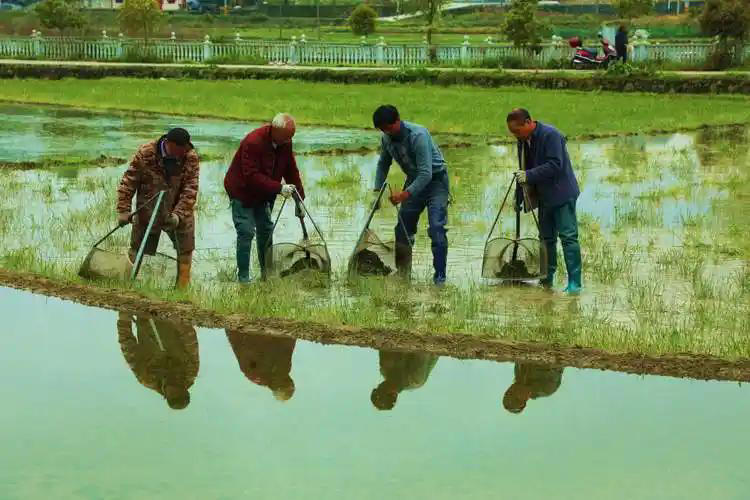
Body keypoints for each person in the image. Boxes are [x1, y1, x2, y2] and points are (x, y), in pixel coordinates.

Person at [372, 105, 450, 286]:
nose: (387, 133)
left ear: (398, 120)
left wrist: (405, 194)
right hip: (414, 180)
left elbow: (426, 173)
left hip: (436, 181)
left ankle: (440, 278)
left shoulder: (418, 136)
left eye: (389, 128)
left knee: (437, 228)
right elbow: (383, 164)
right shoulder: (386, 139)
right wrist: (376, 192)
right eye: (383, 130)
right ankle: (403, 275)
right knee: (403, 230)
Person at [506, 108, 582, 293]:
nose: (515, 135)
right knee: (546, 239)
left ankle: (574, 283)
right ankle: (546, 279)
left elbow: (555, 165)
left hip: (562, 193)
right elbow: (522, 169)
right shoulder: (522, 141)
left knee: (568, 237)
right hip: (544, 196)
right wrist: (519, 196)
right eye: (512, 132)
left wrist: (529, 175)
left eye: (517, 131)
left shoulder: (551, 135)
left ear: (528, 122)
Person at [224, 113, 305, 283]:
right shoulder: (253, 142)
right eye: (286, 137)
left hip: (265, 193)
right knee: (246, 232)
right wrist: (279, 188)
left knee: (266, 230)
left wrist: (300, 199)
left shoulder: (285, 143)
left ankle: (266, 275)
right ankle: (244, 278)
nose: (288, 140)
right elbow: (251, 176)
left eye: (291, 137)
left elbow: (290, 169)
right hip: (242, 191)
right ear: (274, 130)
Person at [117, 127, 199, 288]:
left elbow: (191, 189)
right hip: (149, 207)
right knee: (137, 248)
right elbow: (129, 181)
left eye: (184, 150)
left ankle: (181, 290)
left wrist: (178, 215)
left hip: (178, 209)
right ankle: (126, 286)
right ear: (168, 143)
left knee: (186, 249)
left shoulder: (190, 156)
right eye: (178, 150)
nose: (181, 154)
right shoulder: (146, 153)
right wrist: (123, 210)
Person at [116, 312, 199, 410]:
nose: (173, 382)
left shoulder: (146, 377)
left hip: (142, 313)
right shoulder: (190, 371)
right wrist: (177, 321)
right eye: (178, 386)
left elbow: (127, 345)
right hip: (169, 312)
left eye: (172, 389)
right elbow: (190, 339)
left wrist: (124, 320)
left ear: (166, 395)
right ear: (185, 390)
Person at [225, 330, 296, 401]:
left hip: (245, 333)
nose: (289, 379)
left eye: (287, 381)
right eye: (288, 380)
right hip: (253, 334)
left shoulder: (256, 375)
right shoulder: (284, 370)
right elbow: (287, 347)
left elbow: (286, 347)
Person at [370, 350, 438, 411]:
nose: (380, 385)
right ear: (394, 395)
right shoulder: (415, 380)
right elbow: (423, 350)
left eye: (378, 388)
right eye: (382, 390)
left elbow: (384, 345)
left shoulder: (385, 370)